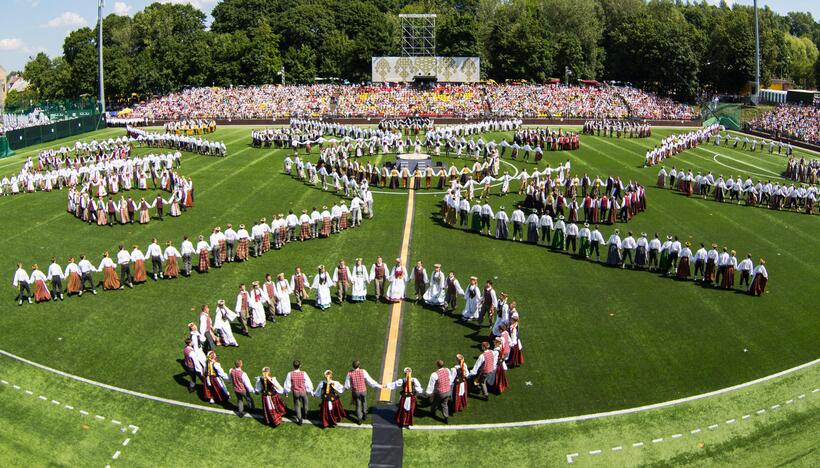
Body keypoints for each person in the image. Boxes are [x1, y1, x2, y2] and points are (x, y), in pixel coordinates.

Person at [344, 360, 382, 425]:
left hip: (355, 392)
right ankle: (364, 414)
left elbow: (347, 385)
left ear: (352, 366)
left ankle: (359, 419)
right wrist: (378, 385)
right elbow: (370, 381)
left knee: (358, 405)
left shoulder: (349, 373)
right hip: (363, 390)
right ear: (359, 365)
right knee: (364, 401)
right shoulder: (363, 371)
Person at [284, 360, 314, 425]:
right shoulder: (304, 373)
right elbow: (308, 383)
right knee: (305, 403)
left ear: (293, 366)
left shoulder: (290, 374)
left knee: (297, 405)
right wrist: (310, 390)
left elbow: (287, 384)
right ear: (300, 365)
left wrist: (286, 392)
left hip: (295, 392)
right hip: (303, 391)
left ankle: (299, 419)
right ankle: (305, 415)